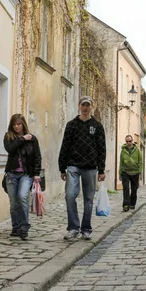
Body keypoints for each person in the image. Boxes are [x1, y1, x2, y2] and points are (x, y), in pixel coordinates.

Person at [58, 96, 106, 241]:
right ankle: (73, 228)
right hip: (73, 166)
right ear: (79, 106)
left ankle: (86, 229)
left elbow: (101, 148)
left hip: (90, 167)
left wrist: (102, 169)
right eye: (83, 105)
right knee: (70, 195)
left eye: (88, 105)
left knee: (88, 199)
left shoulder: (97, 126)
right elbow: (65, 146)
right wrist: (62, 167)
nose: (85, 108)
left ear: (92, 106)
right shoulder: (71, 125)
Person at [3, 113, 42, 241]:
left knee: (22, 197)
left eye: (19, 124)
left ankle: (24, 227)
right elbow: (10, 149)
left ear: (23, 124)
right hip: (12, 174)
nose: (16, 127)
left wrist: (36, 174)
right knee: (14, 203)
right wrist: (23, 139)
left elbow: (37, 157)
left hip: (26, 174)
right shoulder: (8, 137)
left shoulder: (33, 139)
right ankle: (16, 227)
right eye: (14, 124)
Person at [119, 135, 143, 211]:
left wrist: (139, 171)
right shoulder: (123, 150)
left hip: (135, 172)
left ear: (132, 141)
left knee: (134, 189)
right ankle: (126, 205)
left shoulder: (137, 150)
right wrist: (120, 173)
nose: (128, 143)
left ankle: (132, 203)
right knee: (125, 188)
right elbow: (121, 162)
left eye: (129, 141)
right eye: (126, 141)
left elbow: (141, 161)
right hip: (125, 171)